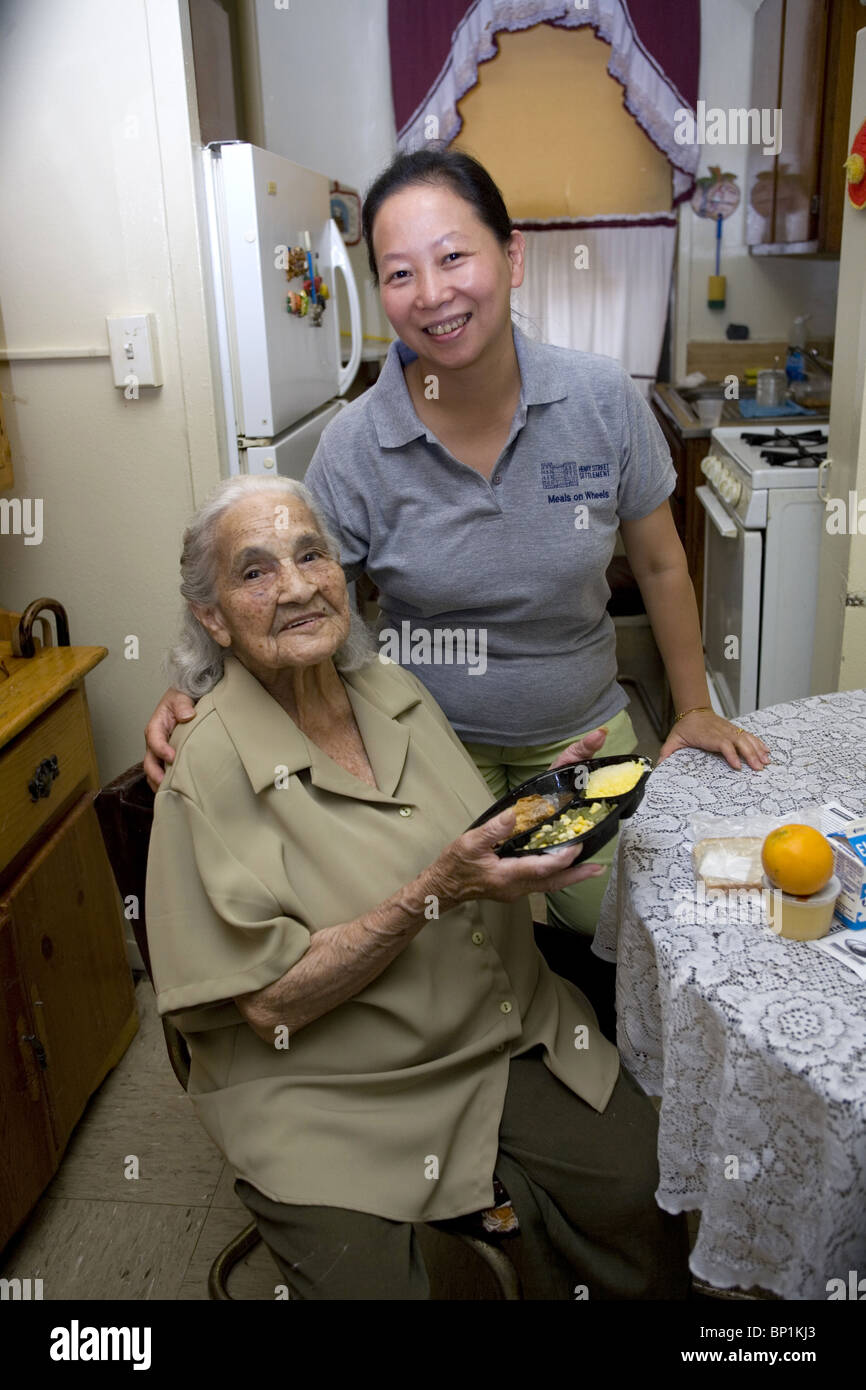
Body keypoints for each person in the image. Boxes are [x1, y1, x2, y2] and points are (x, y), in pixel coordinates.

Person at [144, 148, 769, 945]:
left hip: (579, 725)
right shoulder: (354, 447)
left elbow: (659, 562)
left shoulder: (600, 397)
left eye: (453, 257)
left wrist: (692, 708)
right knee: (452, 943)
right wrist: (199, 686)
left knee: (613, 924)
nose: (432, 295)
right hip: (419, 743)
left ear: (510, 256)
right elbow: (297, 599)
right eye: (400, 274)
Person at [144, 474, 691, 1300]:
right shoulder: (206, 773)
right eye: (254, 572)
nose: (294, 586)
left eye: (311, 555)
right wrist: (432, 889)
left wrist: (535, 815)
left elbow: (459, 838)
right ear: (213, 618)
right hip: (330, 1089)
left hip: (498, 1024)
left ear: (343, 575)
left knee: (640, 1191)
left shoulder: (391, 688)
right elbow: (270, 1005)